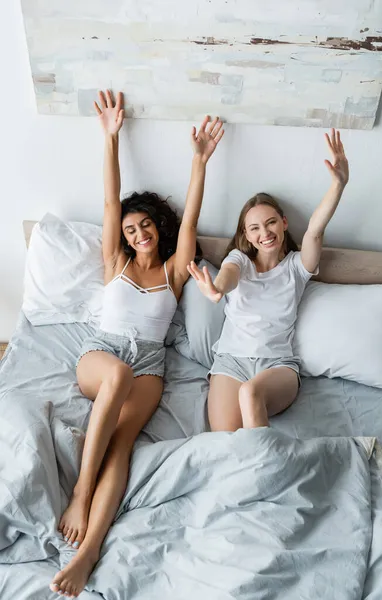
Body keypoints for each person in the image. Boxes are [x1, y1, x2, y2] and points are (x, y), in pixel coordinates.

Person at [50, 90, 224, 598]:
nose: (139, 231)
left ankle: (89, 551)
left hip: (149, 364)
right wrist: (110, 138)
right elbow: (111, 200)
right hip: (101, 358)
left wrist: (199, 162)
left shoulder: (172, 271)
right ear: (123, 237)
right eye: (131, 228)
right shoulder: (116, 264)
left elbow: (189, 221)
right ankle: (81, 492)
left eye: (146, 224)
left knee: (123, 443)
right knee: (118, 377)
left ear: (157, 228)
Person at [187, 128, 349, 432]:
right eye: (255, 228)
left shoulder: (297, 267)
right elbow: (227, 277)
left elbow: (314, 231)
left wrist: (338, 184)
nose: (265, 233)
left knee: (250, 393)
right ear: (246, 235)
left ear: (284, 223)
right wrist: (215, 288)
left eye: (271, 222)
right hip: (230, 362)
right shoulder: (239, 260)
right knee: (224, 441)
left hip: (278, 366)